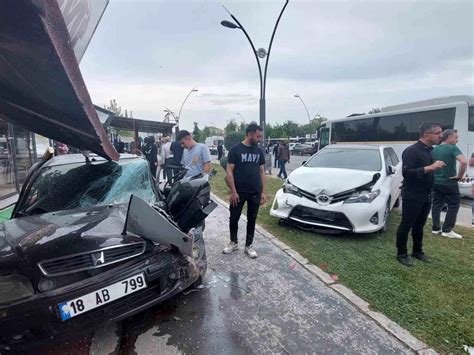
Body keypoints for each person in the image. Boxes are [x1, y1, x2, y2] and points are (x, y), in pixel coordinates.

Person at [395, 122, 445, 267]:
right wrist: (430, 167)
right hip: (413, 194)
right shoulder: (412, 151)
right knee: (407, 224)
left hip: (426, 194)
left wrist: (434, 166)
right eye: (438, 133)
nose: (440, 136)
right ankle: (402, 254)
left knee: (420, 225)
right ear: (426, 135)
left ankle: (417, 251)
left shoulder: (429, 150)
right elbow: (407, 173)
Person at [223, 123, 267, 259]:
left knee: (252, 219)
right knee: (234, 218)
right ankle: (233, 242)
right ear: (250, 134)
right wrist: (233, 191)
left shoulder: (259, 151)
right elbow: (229, 171)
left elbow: (262, 171)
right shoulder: (235, 150)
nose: (259, 139)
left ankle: (249, 245)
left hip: (255, 191)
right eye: (258, 136)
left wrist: (263, 192)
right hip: (238, 192)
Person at [431, 129, 467, 239]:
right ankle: (447, 230)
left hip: (436, 181)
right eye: (456, 137)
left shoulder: (435, 148)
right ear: (449, 137)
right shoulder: (452, 148)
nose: (457, 140)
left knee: (436, 205)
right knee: (454, 205)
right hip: (449, 182)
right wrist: (460, 176)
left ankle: (436, 228)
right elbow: (464, 161)